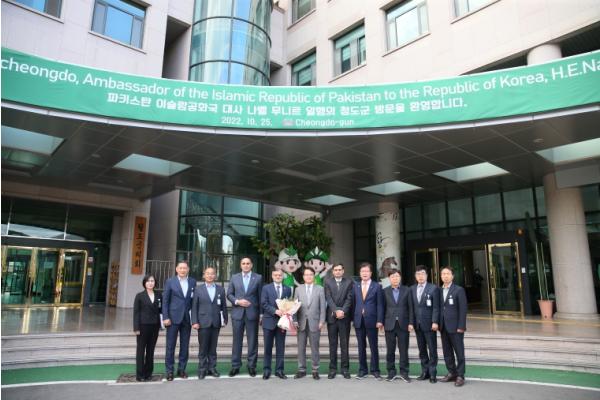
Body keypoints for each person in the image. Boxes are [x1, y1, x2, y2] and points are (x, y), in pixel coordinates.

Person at [227, 256, 263, 377]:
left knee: (252, 341)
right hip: (237, 314)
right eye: (243, 263)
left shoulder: (258, 278)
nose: (246, 265)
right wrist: (237, 301)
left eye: (248, 263)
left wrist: (261, 314)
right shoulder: (234, 277)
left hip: (252, 314)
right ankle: (235, 366)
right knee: (237, 341)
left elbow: (261, 296)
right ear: (240, 265)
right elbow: (229, 294)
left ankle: (251, 366)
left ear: (251, 265)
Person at [191, 267, 228, 379]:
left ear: (215, 276)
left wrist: (225, 319)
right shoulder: (198, 289)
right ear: (204, 275)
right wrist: (194, 321)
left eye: (212, 274)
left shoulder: (220, 289)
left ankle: (212, 368)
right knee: (203, 348)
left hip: (216, 322)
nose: (210, 275)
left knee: (213, 347)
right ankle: (202, 369)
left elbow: (223, 306)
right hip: (202, 322)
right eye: (207, 273)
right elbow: (194, 306)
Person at [162, 260, 196, 381]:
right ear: (176, 269)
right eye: (180, 268)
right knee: (170, 346)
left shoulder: (192, 281)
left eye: (185, 268)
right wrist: (165, 317)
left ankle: (182, 369)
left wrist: (194, 318)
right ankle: (169, 371)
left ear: (188, 269)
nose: (182, 270)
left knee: (185, 346)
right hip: (172, 318)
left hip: (186, 319)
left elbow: (193, 301)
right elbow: (165, 301)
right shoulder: (170, 281)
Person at [293, 266, 326, 380]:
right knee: (301, 347)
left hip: (315, 322)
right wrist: (294, 320)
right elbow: (294, 307)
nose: (308, 276)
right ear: (303, 277)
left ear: (314, 276)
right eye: (306, 275)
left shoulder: (320, 289)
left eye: (310, 274)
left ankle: (315, 370)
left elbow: (323, 307)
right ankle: (301, 369)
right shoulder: (298, 289)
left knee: (315, 348)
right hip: (301, 323)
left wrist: (322, 321)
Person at [353, 262, 384, 380]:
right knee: (361, 346)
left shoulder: (377, 286)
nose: (364, 273)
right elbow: (354, 303)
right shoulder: (355, 286)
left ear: (371, 273)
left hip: (372, 320)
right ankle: (362, 370)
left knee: (373, 346)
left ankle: (375, 370)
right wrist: (353, 318)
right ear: (360, 273)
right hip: (359, 320)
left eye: (367, 271)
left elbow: (380, 304)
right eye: (362, 271)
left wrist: (380, 320)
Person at [410, 265, 440, 383]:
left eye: (422, 273)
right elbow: (412, 308)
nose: (420, 276)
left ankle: (432, 373)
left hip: (430, 324)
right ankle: (425, 371)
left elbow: (436, 307)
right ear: (415, 276)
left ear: (427, 275)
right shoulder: (412, 289)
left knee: (432, 349)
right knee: (422, 349)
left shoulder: (433, 288)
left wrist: (435, 321)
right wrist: (411, 322)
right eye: (418, 274)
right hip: (417, 325)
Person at [260, 268, 292, 380]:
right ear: (272, 276)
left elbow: (289, 304)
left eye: (280, 275)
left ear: (283, 276)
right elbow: (264, 303)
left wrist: (287, 311)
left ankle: (279, 370)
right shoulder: (266, 288)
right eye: (276, 275)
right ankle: (266, 370)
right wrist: (275, 311)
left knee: (280, 348)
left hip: (282, 322)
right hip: (269, 321)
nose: (278, 277)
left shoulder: (288, 289)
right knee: (267, 348)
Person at [439, 266, 468, 387]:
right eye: (443, 274)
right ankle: (452, 372)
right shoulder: (438, 290)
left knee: (459, 352)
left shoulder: (459, 290)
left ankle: (460, 375)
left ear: (452, 276)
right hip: (443, 327)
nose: (445, 276)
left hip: (456, 327)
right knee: (447, 352)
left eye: (447, 274)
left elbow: (463, 309)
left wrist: (461, 326)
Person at [324, 263, 354, 379]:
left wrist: (343, 311)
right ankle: (332, 369)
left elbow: (349, 298)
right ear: (332, 271)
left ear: (343, 271)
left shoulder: (349, 282)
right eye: (335, 270)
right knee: (333, 344)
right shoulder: (327, 282)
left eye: (339, 270)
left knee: (344, 344)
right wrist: (336, 310)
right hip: (332, 317)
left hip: (344, 318)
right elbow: (328, 297)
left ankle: (345, 369)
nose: (337, 271)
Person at [383, 269, 413, 382]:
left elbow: (410, 308)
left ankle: (404, 372)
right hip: (389, 324)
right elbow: (382, 308)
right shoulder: (385, 291)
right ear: (389, 279)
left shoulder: (407, 290)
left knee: (403, 350)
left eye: (396, 276)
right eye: (392, 277)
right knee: (390, 350)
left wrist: (411, 322)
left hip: (403, 324)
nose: (395, 278)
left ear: (400, 278)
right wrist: (381, 322)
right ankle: (391, 372)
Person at [133, 275, 162, 382]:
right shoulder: (139, 296)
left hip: (155, 326)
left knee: (150, 350)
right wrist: (136, 328)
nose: (150, 283)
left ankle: (148, 373)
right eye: (148, 281)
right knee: (140, 351)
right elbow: (136, 313)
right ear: (144, 283)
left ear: (155, 282)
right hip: (143, 326)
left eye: (152, 281)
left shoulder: (159, 295)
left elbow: (161, 310)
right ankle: (140, 375)